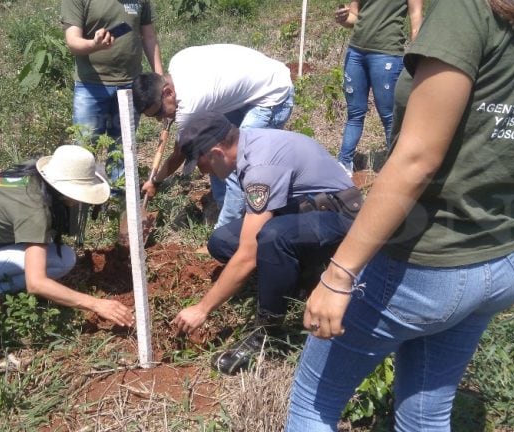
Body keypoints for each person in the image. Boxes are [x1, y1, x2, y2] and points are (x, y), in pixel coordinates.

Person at [287, 0, 514, 430]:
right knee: (425, 414)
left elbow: (417, 158)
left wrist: (339, 273)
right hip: (503, 254)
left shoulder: (468, 9)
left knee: (313, 403)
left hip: (428, 263)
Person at [170, 112, 361, 375]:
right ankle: (295, 276)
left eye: (202, 164)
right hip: (304, 211)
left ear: (216, 152)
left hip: (340, 218)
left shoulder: (261, 167)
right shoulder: (249, 145)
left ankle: (266, 333)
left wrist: (202, 309)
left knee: (272, 237)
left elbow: (249, 254)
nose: (204, 172)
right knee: (222, 241)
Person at [0, 145, 134, 327]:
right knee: (63, 260)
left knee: (53, 253)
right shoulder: (35, 211)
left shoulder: (31, 175)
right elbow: (36, 283)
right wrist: (97, 304)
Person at [132, 44, 295, 228]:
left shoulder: (190, 105)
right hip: (247, 90)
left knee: (235, 163)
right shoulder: (178, 61)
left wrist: (156, 181)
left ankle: (229, 229)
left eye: (159, 112)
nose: (160, 119)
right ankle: (223, 205)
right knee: (213, 148)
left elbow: (179, 154)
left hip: (272, 94)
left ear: (168, 92)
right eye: (154, 117)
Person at [60, 0, 163, 184]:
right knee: (84, 151)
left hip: (130, 85)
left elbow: (149, 37)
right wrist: (95, 44)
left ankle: (120, 201)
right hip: (91, 86)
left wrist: (159, 79)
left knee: (124, 150)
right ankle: (81, 202)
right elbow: (72, 42)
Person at [334, 0, 423, 175]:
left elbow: (416, 17)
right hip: (355, 53)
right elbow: (354, 16)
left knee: (389, 116)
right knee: (355, 113)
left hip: (387, 54)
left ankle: (396, 169)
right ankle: (344, 163)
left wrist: (418, 58)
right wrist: (343, 18)